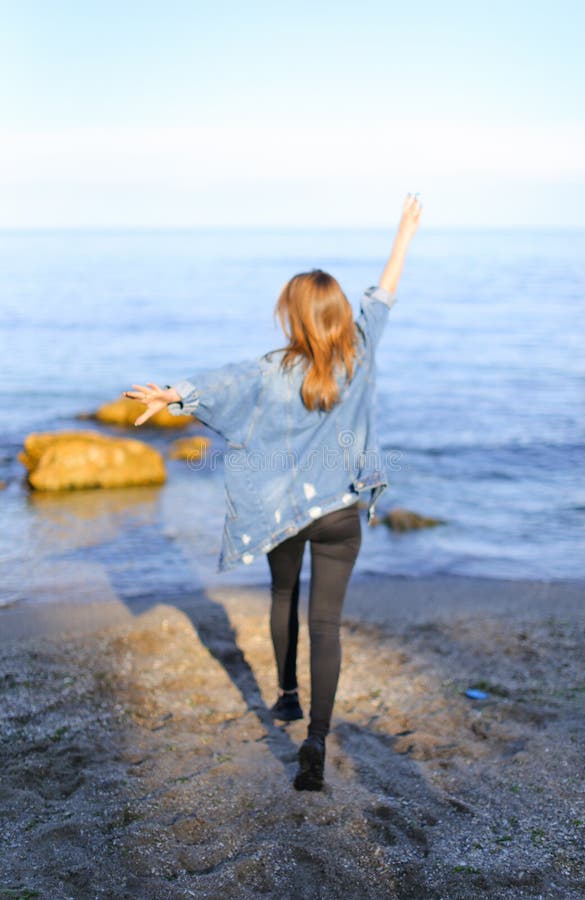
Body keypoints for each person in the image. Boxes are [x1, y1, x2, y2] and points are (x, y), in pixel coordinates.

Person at [123, 194, 423, 790]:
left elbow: (218, 384)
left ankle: (284, 695)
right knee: (327, 624)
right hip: (341, 514)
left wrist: (171, 395)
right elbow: (384, 294)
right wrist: (404, 236)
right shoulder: (361, 353)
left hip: (286, 513)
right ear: (337, 315)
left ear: (293, 317)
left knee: (282, 592)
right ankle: (315, 737)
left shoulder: (272, 368)